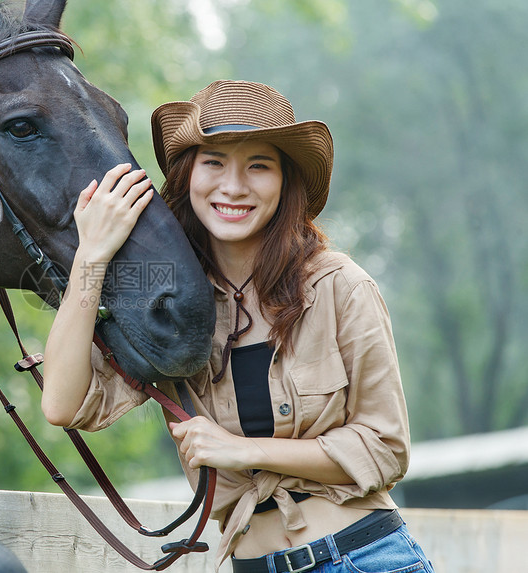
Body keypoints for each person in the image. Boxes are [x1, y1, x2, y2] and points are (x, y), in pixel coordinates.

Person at [40, 80, 435, 573]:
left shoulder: (340, 286)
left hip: (358, 556)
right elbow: (62, 403)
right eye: (214, 162)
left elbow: (386, 448)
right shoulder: (166, 298)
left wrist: (239, 450)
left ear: (285, 182)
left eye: (258, 166)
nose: (233, 186)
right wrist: (91, 258)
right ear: (188, 175)